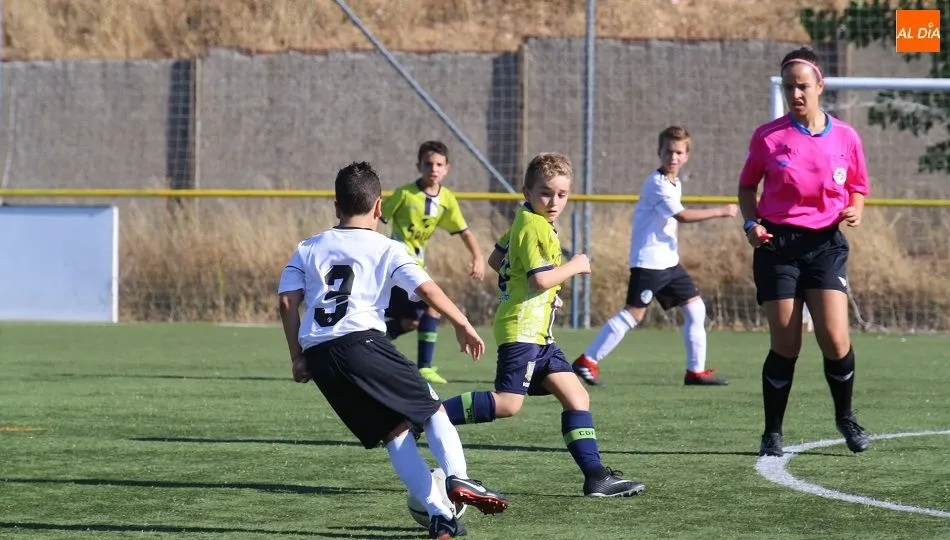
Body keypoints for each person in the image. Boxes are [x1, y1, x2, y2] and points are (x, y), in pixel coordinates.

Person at [277, 161, 507, 538]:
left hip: (320, 355)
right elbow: (427, 290)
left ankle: (440, 517)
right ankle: (459, 479)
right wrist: (463, 324)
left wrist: (297, 357)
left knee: (395, 433)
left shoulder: (308, 247)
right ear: (380, 207)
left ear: (336, 205)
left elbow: (288, 302)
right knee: (432, 409)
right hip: (361, 341)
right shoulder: (387, 247)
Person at [442, 152, 646, 498]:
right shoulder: (535, 225)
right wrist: (577, 265)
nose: (553, 201)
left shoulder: (525, 218)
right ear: (527, 191)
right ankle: (427, 417)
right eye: (545, 193)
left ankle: (596, 478)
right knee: (508, 404)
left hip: (538, 332)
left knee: (577, 396)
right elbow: (539, 279)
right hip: (523, 331)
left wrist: (545, 295)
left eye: (562, 194)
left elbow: (497, 260)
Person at [737, 47, 871, 457]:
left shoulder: (846, 136)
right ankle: (772, 432)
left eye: (803, 86)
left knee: (833, 337)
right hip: (778, 246)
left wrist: (856, 208)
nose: (796, 94)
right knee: (787, 342)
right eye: (789, 87)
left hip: (826, 245)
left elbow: (859, 186)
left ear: (820, 87)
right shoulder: (768, 136)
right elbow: (747, 188)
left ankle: (846, 417)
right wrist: (751, 222)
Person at [571, 126, 736, 387]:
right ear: (659, 152)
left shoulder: (674, 182)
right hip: (650, 263)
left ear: (686, 156)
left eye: (679, 152)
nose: (673, 157)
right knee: (633, 315)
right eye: (668, 151)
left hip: (669, 261)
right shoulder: (657, 184)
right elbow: (681, 216)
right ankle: (587, 361)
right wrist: (722, 211)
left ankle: (695, 372)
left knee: (695, 309)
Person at [381, 141, 486, 385]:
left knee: (411, 322)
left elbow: (465, 231)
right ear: (418, 165)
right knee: (432, 307)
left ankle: (365, 344)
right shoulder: (404, 194)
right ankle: (425, 368)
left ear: (447, 168)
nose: (433, 168)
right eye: (428, 163)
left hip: (416, 265)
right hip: (396, 262)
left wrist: (478, 257)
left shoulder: (446, 199)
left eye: (439, 164)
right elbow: (378, 217)